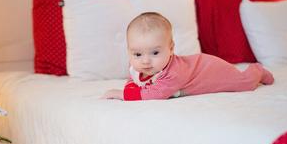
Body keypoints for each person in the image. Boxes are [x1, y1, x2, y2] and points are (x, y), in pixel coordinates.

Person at [100, 12, 274, 101]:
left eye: (155, 53)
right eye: (137, 54)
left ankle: (257, 70)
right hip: (197, 69)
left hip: (207, 70)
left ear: (171, 49)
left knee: (243, 83)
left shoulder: (173, 72)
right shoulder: (136, 67)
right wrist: (127, 90)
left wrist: (122, 95)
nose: (145, 60)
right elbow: (133, 82)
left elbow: (158, 93)